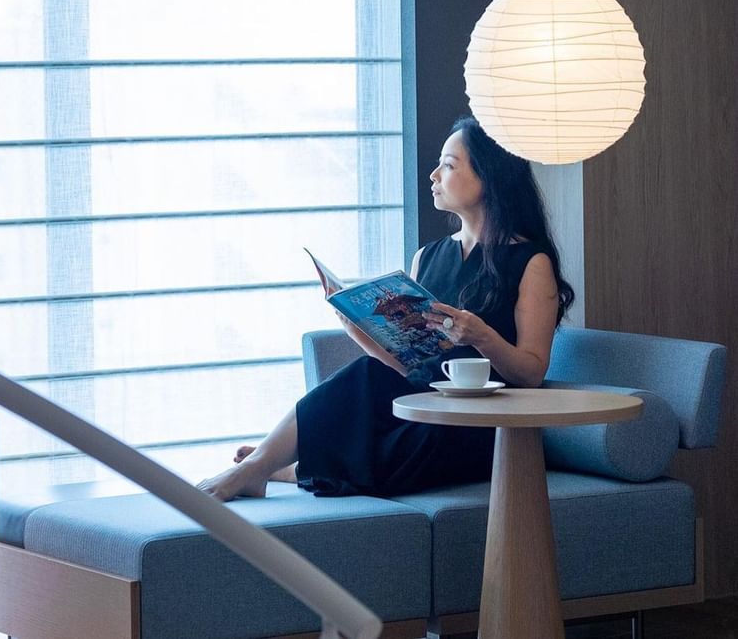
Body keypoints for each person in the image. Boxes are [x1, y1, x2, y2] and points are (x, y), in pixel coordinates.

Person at [198, 115, 574, 501]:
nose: (433, 175)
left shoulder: (531, 262)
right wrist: (356, 327)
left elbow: (530, 374)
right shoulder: (427, 257)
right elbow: (408, 366)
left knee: (419, 438)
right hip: (430, 403)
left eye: (448, 165)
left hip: (487, 423)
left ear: (489, 178)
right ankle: (258, 466)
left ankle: (290, 470)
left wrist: (483, 337)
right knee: (366, 374)